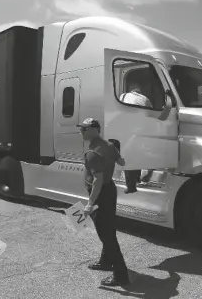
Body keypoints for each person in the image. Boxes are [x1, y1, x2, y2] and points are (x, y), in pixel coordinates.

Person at [77, 118, 130, 286]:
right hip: (110, 191)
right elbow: (121, 162)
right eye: (81, 129)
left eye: (85, 129)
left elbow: (97, 181)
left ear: (95, 130)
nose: (82, 132)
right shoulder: (109, 146)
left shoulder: (93, 153)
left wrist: (89, 204)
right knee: (109, 228)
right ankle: (105, 261)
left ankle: (121, 276)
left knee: (107, 236)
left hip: (101, 194)